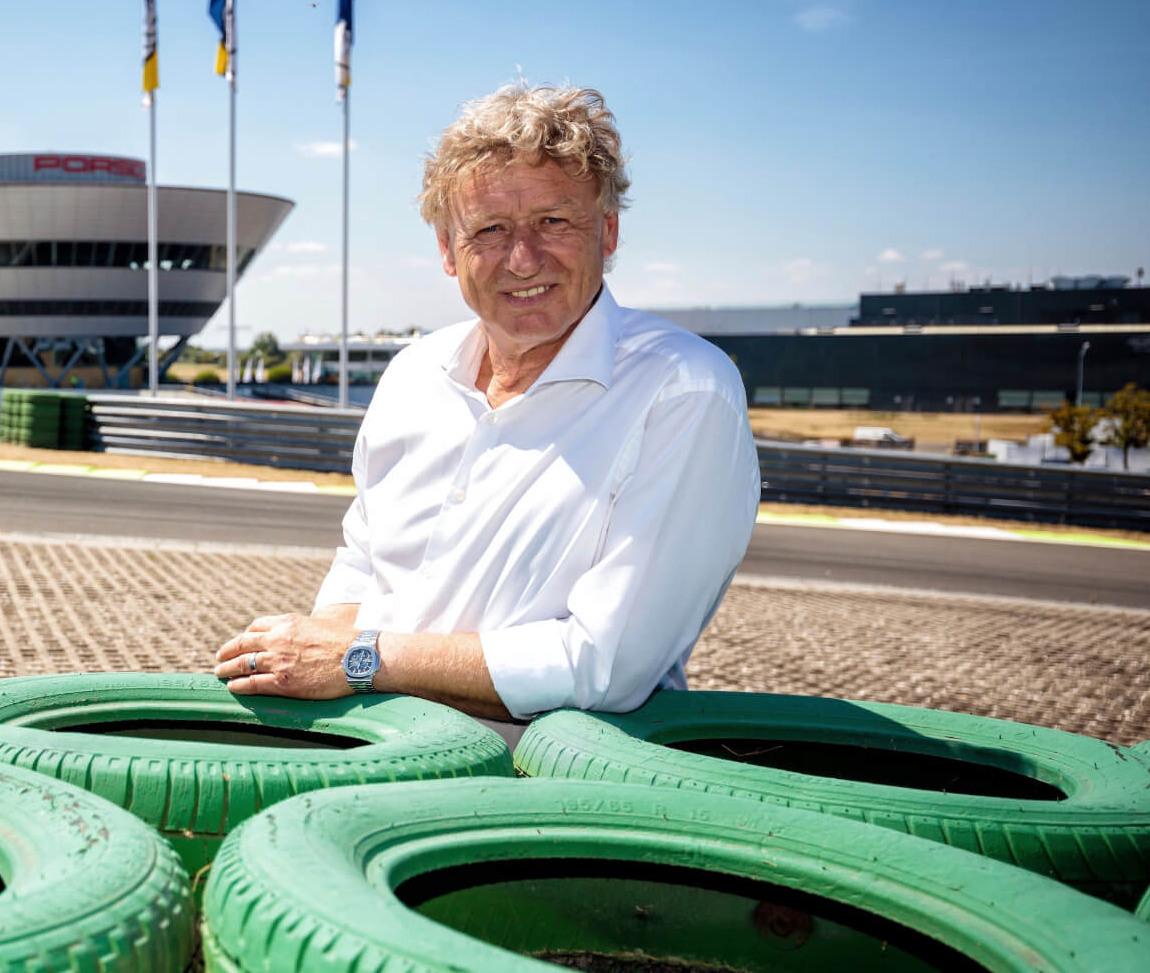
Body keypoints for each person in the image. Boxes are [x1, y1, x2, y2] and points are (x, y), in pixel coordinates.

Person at [214, 82, 758, 738]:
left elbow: (605, 666)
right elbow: (364, 566)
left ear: (607, 232)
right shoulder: (414, 375)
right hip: (373, 754)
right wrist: (310, 648)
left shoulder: (682, 390)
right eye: (491, 231)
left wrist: (362, 659)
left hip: (553, 797)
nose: (523, 258)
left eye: (554, 222)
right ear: (448, 250)